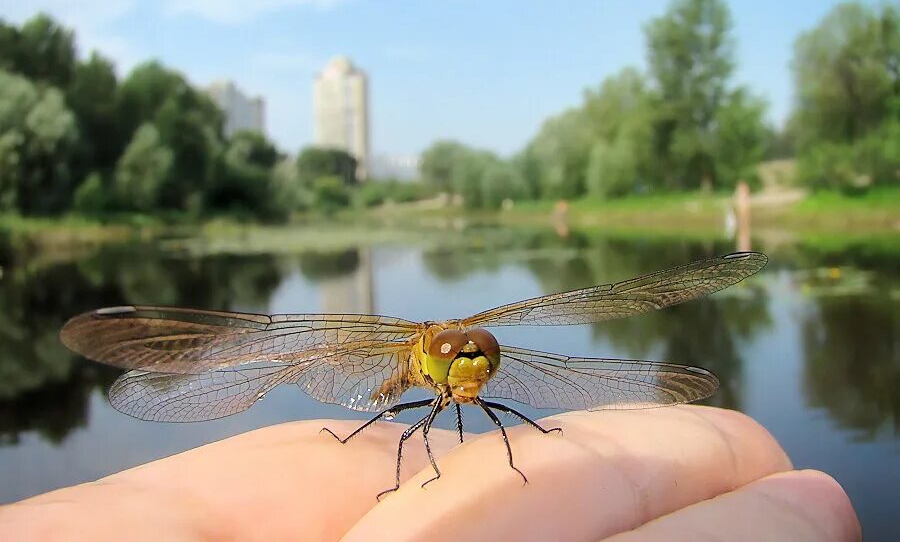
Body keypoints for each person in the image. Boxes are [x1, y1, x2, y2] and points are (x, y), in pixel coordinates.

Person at [0, 406, 859, 541]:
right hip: (388, 391)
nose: (473, 368)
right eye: (462, 357)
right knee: (401, 434)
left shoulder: (475, 372)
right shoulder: (420, 362)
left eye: (480, 357)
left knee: (498, 430)